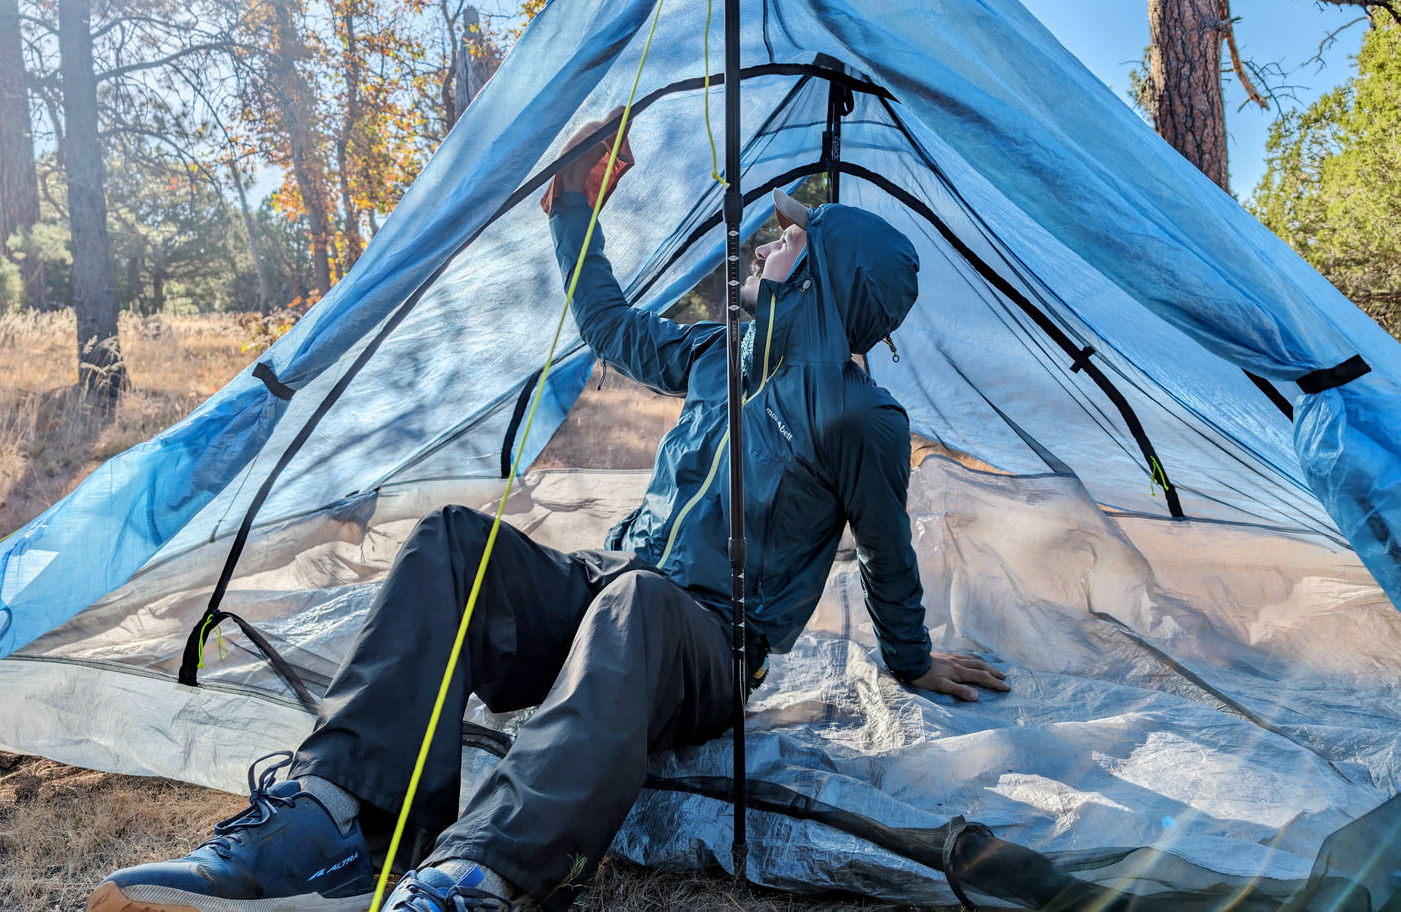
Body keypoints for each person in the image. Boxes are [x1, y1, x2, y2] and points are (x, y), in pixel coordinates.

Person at [88, 117, 1009, 912]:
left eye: (791, 242)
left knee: (638, 603)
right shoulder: (720, 354)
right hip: (608, 593)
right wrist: (576, 210)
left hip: (704, 645)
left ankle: (474, 880)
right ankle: (343, 820)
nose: (768, 244)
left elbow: (889, 553)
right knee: (453, 541)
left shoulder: (859, 419)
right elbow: (611, 327)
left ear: (826, 278)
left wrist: (913, 659)